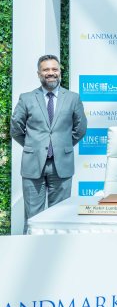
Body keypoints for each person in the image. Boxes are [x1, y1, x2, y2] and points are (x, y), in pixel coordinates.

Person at [10, 54, 87, 233]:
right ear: (39, 74)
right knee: (33, 218)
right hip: (33, 164)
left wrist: (63, 146)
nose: (50, 73)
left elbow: (81, 128)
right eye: (46, 70)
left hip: (62, 165)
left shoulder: (73, 98)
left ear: (60, 72)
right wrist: (32, 146)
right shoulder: (27, 98)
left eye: (54, 69)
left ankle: (54, 249)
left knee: (59, 217)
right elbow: (15, 128)